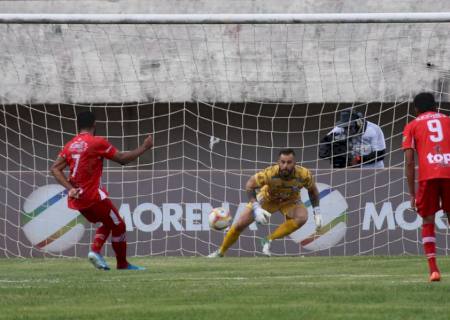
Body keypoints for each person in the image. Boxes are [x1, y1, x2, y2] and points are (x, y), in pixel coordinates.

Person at [51, 111, 153, 271]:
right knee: (119, 225)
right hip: (93, 197)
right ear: (94, 124)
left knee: (109, 221)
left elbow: (55, 168)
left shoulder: (70, 145)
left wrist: (70, 189)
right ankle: (118, 262)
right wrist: (144, 147)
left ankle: (97, 252)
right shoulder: (96, 142)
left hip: (77, 199)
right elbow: (122, 159)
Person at [208, 149, 322, 257]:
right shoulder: (269, 173)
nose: (285, 166)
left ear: (295, 163)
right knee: (239, 225)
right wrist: (256, 207)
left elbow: (313, 191)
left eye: (289, 162)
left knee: (302, 217)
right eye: (282, 162)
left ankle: (268, 239)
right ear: (278, 162)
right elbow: (249, 185)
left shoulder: (304, 174)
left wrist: (317, 212)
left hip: (290, 201)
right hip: (268, 199)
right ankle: (220, 252)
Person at [402, 92, 450, 282]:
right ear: (436, 106)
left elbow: (408, 162)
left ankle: (434, 270)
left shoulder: (412, 125)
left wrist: (412, 194)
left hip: (428, 175)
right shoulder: (448, 120)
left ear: (416, 109)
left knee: (428, 220)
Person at [319, 110, 386, 168]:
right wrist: (336, 154)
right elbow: (324, 145)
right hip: (351, 172)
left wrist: (358, 159)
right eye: (345, 127)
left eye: (349, 127)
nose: (346, 130)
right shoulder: (339, 128)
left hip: (373, 170)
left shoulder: (373, 130)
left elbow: (381, 154)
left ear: (358, 123)